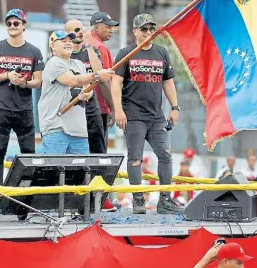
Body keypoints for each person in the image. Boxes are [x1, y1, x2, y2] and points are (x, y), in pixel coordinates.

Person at [111, 13, 182, 215]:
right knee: (135, 158)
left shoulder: (162, 53)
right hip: (133, 115)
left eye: (152, 29)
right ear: (135, 31)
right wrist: (119, 110)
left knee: (166, 155)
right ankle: (138, 199)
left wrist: (175, 108)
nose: (149, 33)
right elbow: (116, 82)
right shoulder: (125, 53)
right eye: (144, 29)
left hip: (156, 116)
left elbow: (168, 82)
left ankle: (165, 200)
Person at [0, 8, 44, 193]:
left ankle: (27, 190)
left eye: (16, 23)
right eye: (9, 23)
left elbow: (37, 81)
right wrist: (7, 75)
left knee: (28, 152)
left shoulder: (34, 51)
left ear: (24, 26)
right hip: (0, 108)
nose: (12, 26)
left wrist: (24, 82)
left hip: (24, 109)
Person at [38, 30, 114, 155]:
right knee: (54, 171)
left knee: (80, 172)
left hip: (79, 130)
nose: (68, 43)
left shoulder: (79, 64)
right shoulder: (54, 63)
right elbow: (73, 80)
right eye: (63, 41)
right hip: (56, 128)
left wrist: (86, 94)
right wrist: (97, 75)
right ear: (52, 45)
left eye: (69, 41)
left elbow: (86, 87)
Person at [64, 19, 106, 154]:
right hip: (72, 108)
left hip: (91, 108)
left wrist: (88, 45)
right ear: (67, 34)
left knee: (98, 150)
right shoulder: (64, 54)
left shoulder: (92, 50)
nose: (80, 33)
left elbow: (99, 72)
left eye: (82, 29)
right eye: (76, 30)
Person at [90, 11, 117, 146]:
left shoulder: (83, 44)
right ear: (96, 28)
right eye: (107, 26)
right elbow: (104, 80)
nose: (111, 30)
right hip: (99, 107)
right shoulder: (100, 47)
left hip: (82, 108)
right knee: (98, 155)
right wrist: (113, 108)